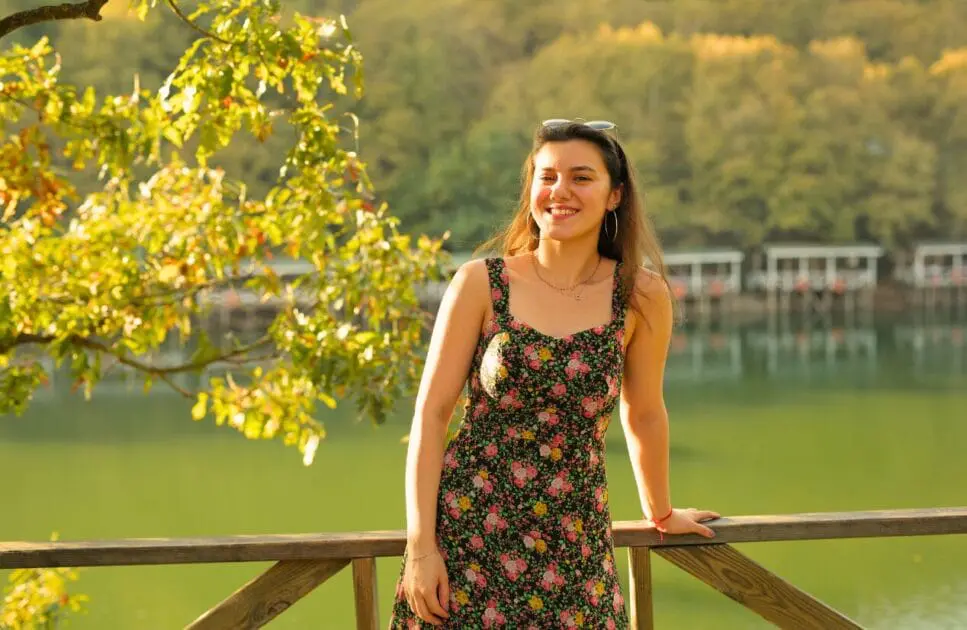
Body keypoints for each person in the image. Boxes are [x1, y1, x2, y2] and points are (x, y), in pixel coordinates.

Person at [388, 119, 719, 629]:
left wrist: (661, 511)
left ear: (615, 196)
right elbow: (431, 416)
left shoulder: (641, 294)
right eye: (546, 177)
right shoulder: (481, 283)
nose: (559, 191)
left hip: (575, 540)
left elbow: (644, 412)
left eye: (581, 177)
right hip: (468, 533)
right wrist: (421, 547)